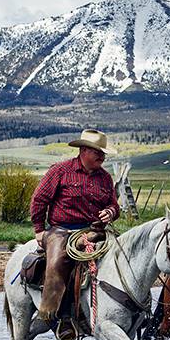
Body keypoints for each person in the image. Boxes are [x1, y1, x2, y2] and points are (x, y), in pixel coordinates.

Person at [28, 129, 120, 329]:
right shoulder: (60, 171)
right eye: (98, 152)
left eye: (103, 153)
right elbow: (39, 200)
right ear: (84, 150)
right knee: (58, 262)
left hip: (94, 230)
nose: (102, 157)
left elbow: (114, 205)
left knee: (123, 256)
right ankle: (56, 315)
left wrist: (110, 212)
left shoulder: (105, 178)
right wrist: (39, 229)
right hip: (62, 231)